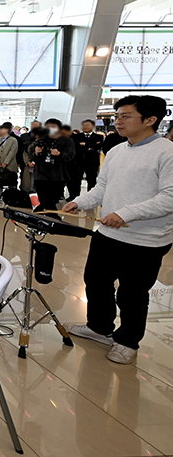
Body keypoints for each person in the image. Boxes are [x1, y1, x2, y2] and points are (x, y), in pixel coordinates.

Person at [62, 95, 173, 364]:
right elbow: (102, 188)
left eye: (126, 116)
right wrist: (79, 201)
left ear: (150, 120)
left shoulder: (166, 152)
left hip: (146, 239)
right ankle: (99, 327)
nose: (118, 122)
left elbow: (169, 197)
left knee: (132, 293)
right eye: (117, 117)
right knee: (96, 282)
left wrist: (125, 213)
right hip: (108, 234)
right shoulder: (117, 151)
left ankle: (127, 341)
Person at [29, 119, 74, 218]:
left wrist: (59, 154)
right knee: (43, 198)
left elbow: (70, 156)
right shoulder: (41, 140)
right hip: (41, 174)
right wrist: (35, 153)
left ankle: (44, 214)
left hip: (57, 175)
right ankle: (52, 218)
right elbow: (32, 157)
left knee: (52, 199)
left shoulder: (66, 140)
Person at [70, 119, 104, 197]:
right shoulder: (76, 136)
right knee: (76, 180)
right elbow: (76, 146)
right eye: (84, 125)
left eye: (88, 125)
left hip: (92, 161)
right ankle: (74, 196)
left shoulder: (99, 136)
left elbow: (98, 146)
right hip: (78, 161)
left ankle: (91, 196)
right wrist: (91, 146)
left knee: (91, 179)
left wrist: (85, 144)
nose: (85, 127)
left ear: (93, 126)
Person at [0, 123, 20, 200]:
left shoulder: (13, 140)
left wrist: (6, 162)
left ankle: (11, 194)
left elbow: (13, 152)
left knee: (11, 179)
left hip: (10, 164)